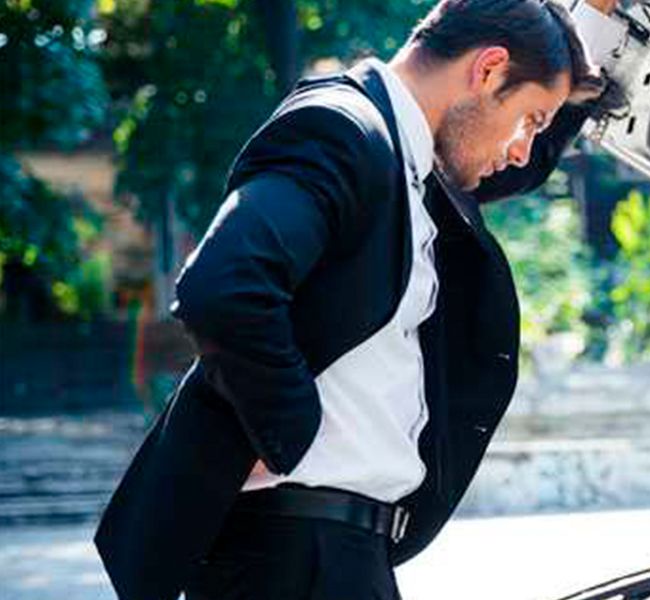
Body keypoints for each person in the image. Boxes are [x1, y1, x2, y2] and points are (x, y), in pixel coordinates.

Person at [93, 0, 621, 598]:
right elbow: (224, 285)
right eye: (530, 119)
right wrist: (290, 433)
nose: (524, 148)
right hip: (293, 556)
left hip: (335, 552)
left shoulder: (409, 165)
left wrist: (593, 19)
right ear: (489, 69)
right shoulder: (341, 129)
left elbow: (521, 166)